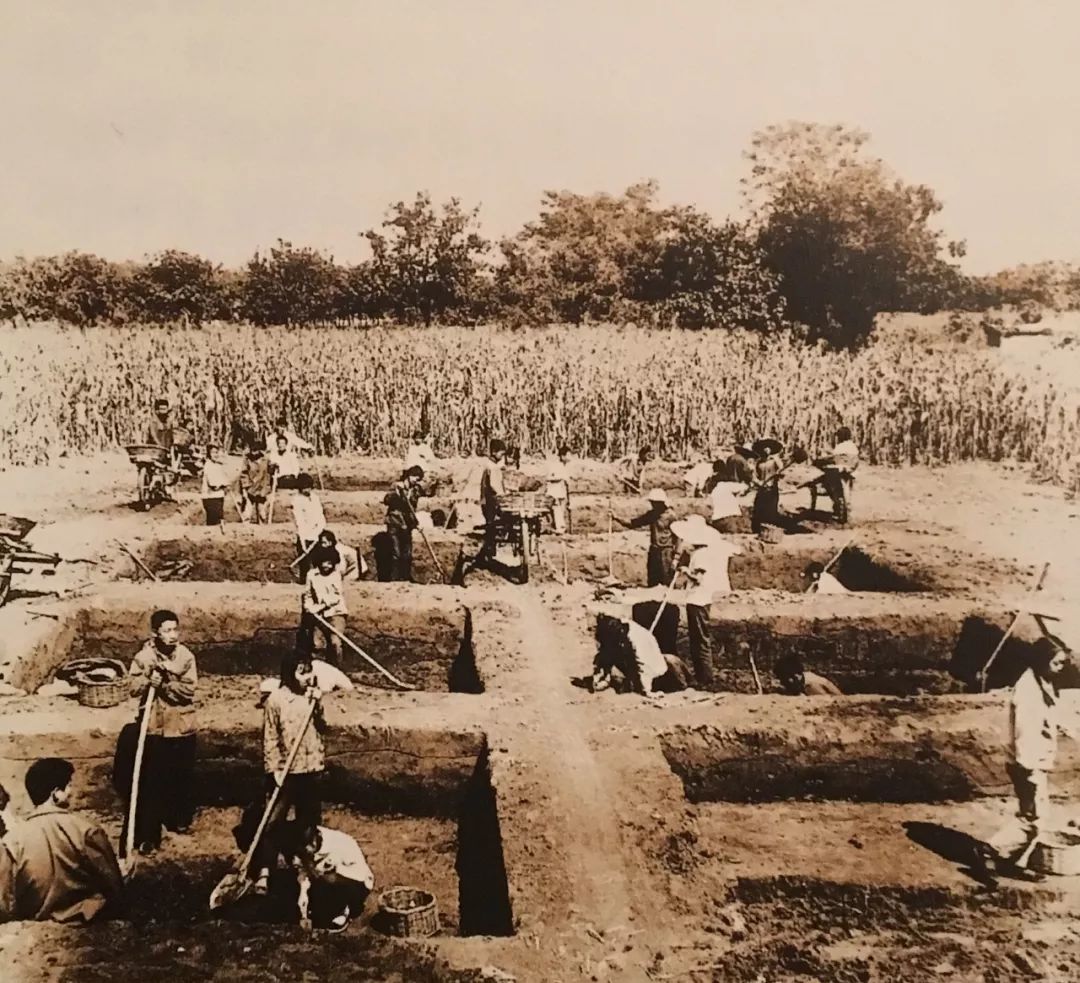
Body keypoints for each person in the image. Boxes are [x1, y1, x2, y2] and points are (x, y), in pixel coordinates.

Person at [978, 637, 1078, 885]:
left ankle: (1013, 862)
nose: (1061, 667)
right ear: (1042, 661)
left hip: (1032, 761)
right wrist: (1030, 769)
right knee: (1035, 818)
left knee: (1031, 814)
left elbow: (1050, 718)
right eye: (1057, 663)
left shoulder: (1040, 681)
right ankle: (990, 850)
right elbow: (1025, 733)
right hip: (1027, 763)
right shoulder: (1029, 693)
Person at [4, 758, 124, 923]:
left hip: (36, 928)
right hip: (88, 924)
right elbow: (115, 889)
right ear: (55, 794)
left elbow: (6, 901)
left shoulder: (12, 841)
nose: (73, 792)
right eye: (68, 786)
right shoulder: (86, 830)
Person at [252, 652, 326, 897]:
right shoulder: (276, 701)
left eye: (309, 671)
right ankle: (264, 870)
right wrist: (273, 770)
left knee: (308, 819)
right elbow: (270, 738)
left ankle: (304, 863)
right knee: (272, 822)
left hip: (311, 766)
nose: (307, 677)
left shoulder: (312, 697)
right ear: (289, 674)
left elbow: (324, 728)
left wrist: (318, 705)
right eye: (301, 671)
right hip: (285, 771)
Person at [124, 609, 198, 854]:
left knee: (180, 776)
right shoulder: (143, 658)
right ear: (155, 633)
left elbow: (188, 691)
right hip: (155, 728)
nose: (173, 635)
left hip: (181, 728)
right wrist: (148, 681)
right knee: (152, 781)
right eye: (167, 631)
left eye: (175, 629)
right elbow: (132, 687)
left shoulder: (185, 657)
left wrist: (165, 685)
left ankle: (178, 819)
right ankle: (149, 835)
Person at [673, 516, 744, 688]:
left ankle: (705, 677)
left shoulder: (701, 555)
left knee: (699, 640)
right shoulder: (704, 553)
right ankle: (703, 675)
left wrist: (685, 571)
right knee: (698, 639)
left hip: (698, 600)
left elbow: (698, 578)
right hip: (700, 599)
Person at [281, 822, 374, 933]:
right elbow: (304, 879)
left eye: (309, 845)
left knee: (330, 880)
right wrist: (304, 915)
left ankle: (343, 908)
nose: (306, 849)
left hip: (354, 883)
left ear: (316, 838)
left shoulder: (342, 843)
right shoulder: (304, 850)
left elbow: (363, 876)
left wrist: (336, 871)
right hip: (322, 882)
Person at [592, 612, 692, 698]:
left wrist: (648, 691)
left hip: (655, 671)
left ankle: (684, 684)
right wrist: (600, 675)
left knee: (670, 662)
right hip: (631, 657)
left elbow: (643, 665)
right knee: (611, 654)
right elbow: (604, 651)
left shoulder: (639, 640)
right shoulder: (612, 627)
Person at [611, 489, 677, 587]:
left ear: (661, 503)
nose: (652, 505)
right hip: (654, 551)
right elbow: (634, 523)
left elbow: (678, 536)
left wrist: (676, 557)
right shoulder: (652, 515)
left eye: (654, 503)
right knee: (653, 581)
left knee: (667, 581)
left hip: (666, 552)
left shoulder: (671, 516)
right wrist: (616, 517)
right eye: (652, 503)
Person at [299, 551, 348, 666]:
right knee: (317, 644)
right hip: (318, 615)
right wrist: (309, 607)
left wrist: (321, 607)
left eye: (330, 563)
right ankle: (318, 670)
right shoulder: (311, 575)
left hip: (336, 613)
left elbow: (336, 597)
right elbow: (308, 594)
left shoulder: (336, 575)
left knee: (335, 642)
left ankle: (338, 670)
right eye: (325, 563)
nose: (327, 566)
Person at [383, 466, 425, 582]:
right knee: (396, 553)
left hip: (407, 525)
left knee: (407, 554)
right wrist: (396, 494)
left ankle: (406, 577)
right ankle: (394, 579)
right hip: (395, 523)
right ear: (409, 476)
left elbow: (412, 508)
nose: (416, 480)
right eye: (415, 477)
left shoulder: (416, 490)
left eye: (418, 479)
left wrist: (416, 523)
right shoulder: (396, 486)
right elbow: (386, 501)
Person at [476, 440, 507, 566]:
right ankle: (488, 553)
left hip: (488, 499)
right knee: (491, 525)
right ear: (494, 452)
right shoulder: (492, 466)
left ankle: (488, 552)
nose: (502, 456)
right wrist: (503, 496)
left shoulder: (490, 465)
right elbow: (494, 485)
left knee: (491, 525)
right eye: (501, 453)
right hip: (490, 500)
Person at [291, 473, 327, 580]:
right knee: (305, 563)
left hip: (318, 533)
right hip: (306, 535)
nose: (307, 490)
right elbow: (300, 522)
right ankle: (304, 580)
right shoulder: (296, 501)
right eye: (304, 488)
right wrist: (303, 542)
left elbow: (320, 515)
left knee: (319, 560)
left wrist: (320, 530)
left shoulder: (315, 498)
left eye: (309, 487)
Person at [749, 439, 785, 535]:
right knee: (759, 508)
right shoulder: (759, 462)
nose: (766, 450)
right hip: (762, 489)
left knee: (771, 509)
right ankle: (758, 529)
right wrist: (758, 482)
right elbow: (754, 476)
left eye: (768, 448)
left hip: (772, 489)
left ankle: (770, 529)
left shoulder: (775, 461)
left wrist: (778, 474)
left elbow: (783, 472)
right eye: (765, 448)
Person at [705, 463, 748, 535]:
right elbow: (744, 486)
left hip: (716, 521)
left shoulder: (710, 488)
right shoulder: (725, 485)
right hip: (729, 518)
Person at [775, 653, 843, 696]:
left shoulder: (811, 684)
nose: (783, 682)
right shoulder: (800, 680)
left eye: (785, 680)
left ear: (796, 676)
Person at [239, 442, 273, 524]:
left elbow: (269, 472)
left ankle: (262, 527)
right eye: (252, 450)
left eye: (256, 450)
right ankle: (246, 527)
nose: (253, 453)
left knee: (262, 512)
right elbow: (244, 474)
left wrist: (274, 468)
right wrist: (245, 487)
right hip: (251, 488)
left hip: (262, 487)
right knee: (247, 510)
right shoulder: (247, 460)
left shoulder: (266, 460)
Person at [200, 443, 230, 526]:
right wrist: (223, 484)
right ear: (209, 454)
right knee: (214, 521)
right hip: (210, 497)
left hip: (219, 496)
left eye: (216, 452)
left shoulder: (218, 465)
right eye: (213, 452)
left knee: (219, 519)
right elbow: (213, 485)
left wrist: (226, 484)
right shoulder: (208, 466)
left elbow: (225, 478)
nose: (215, 455)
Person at [545, 446, 571, 534]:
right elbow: (549, 477)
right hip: (554, 492)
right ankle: (559, 528)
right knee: (557, 510)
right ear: (562, 456)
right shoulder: (554, 465)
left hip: (561, 491)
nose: (569, 457)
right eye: (568, 455)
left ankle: (561, 527)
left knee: (562, 510)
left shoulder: (566, 467)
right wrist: (559, 478)